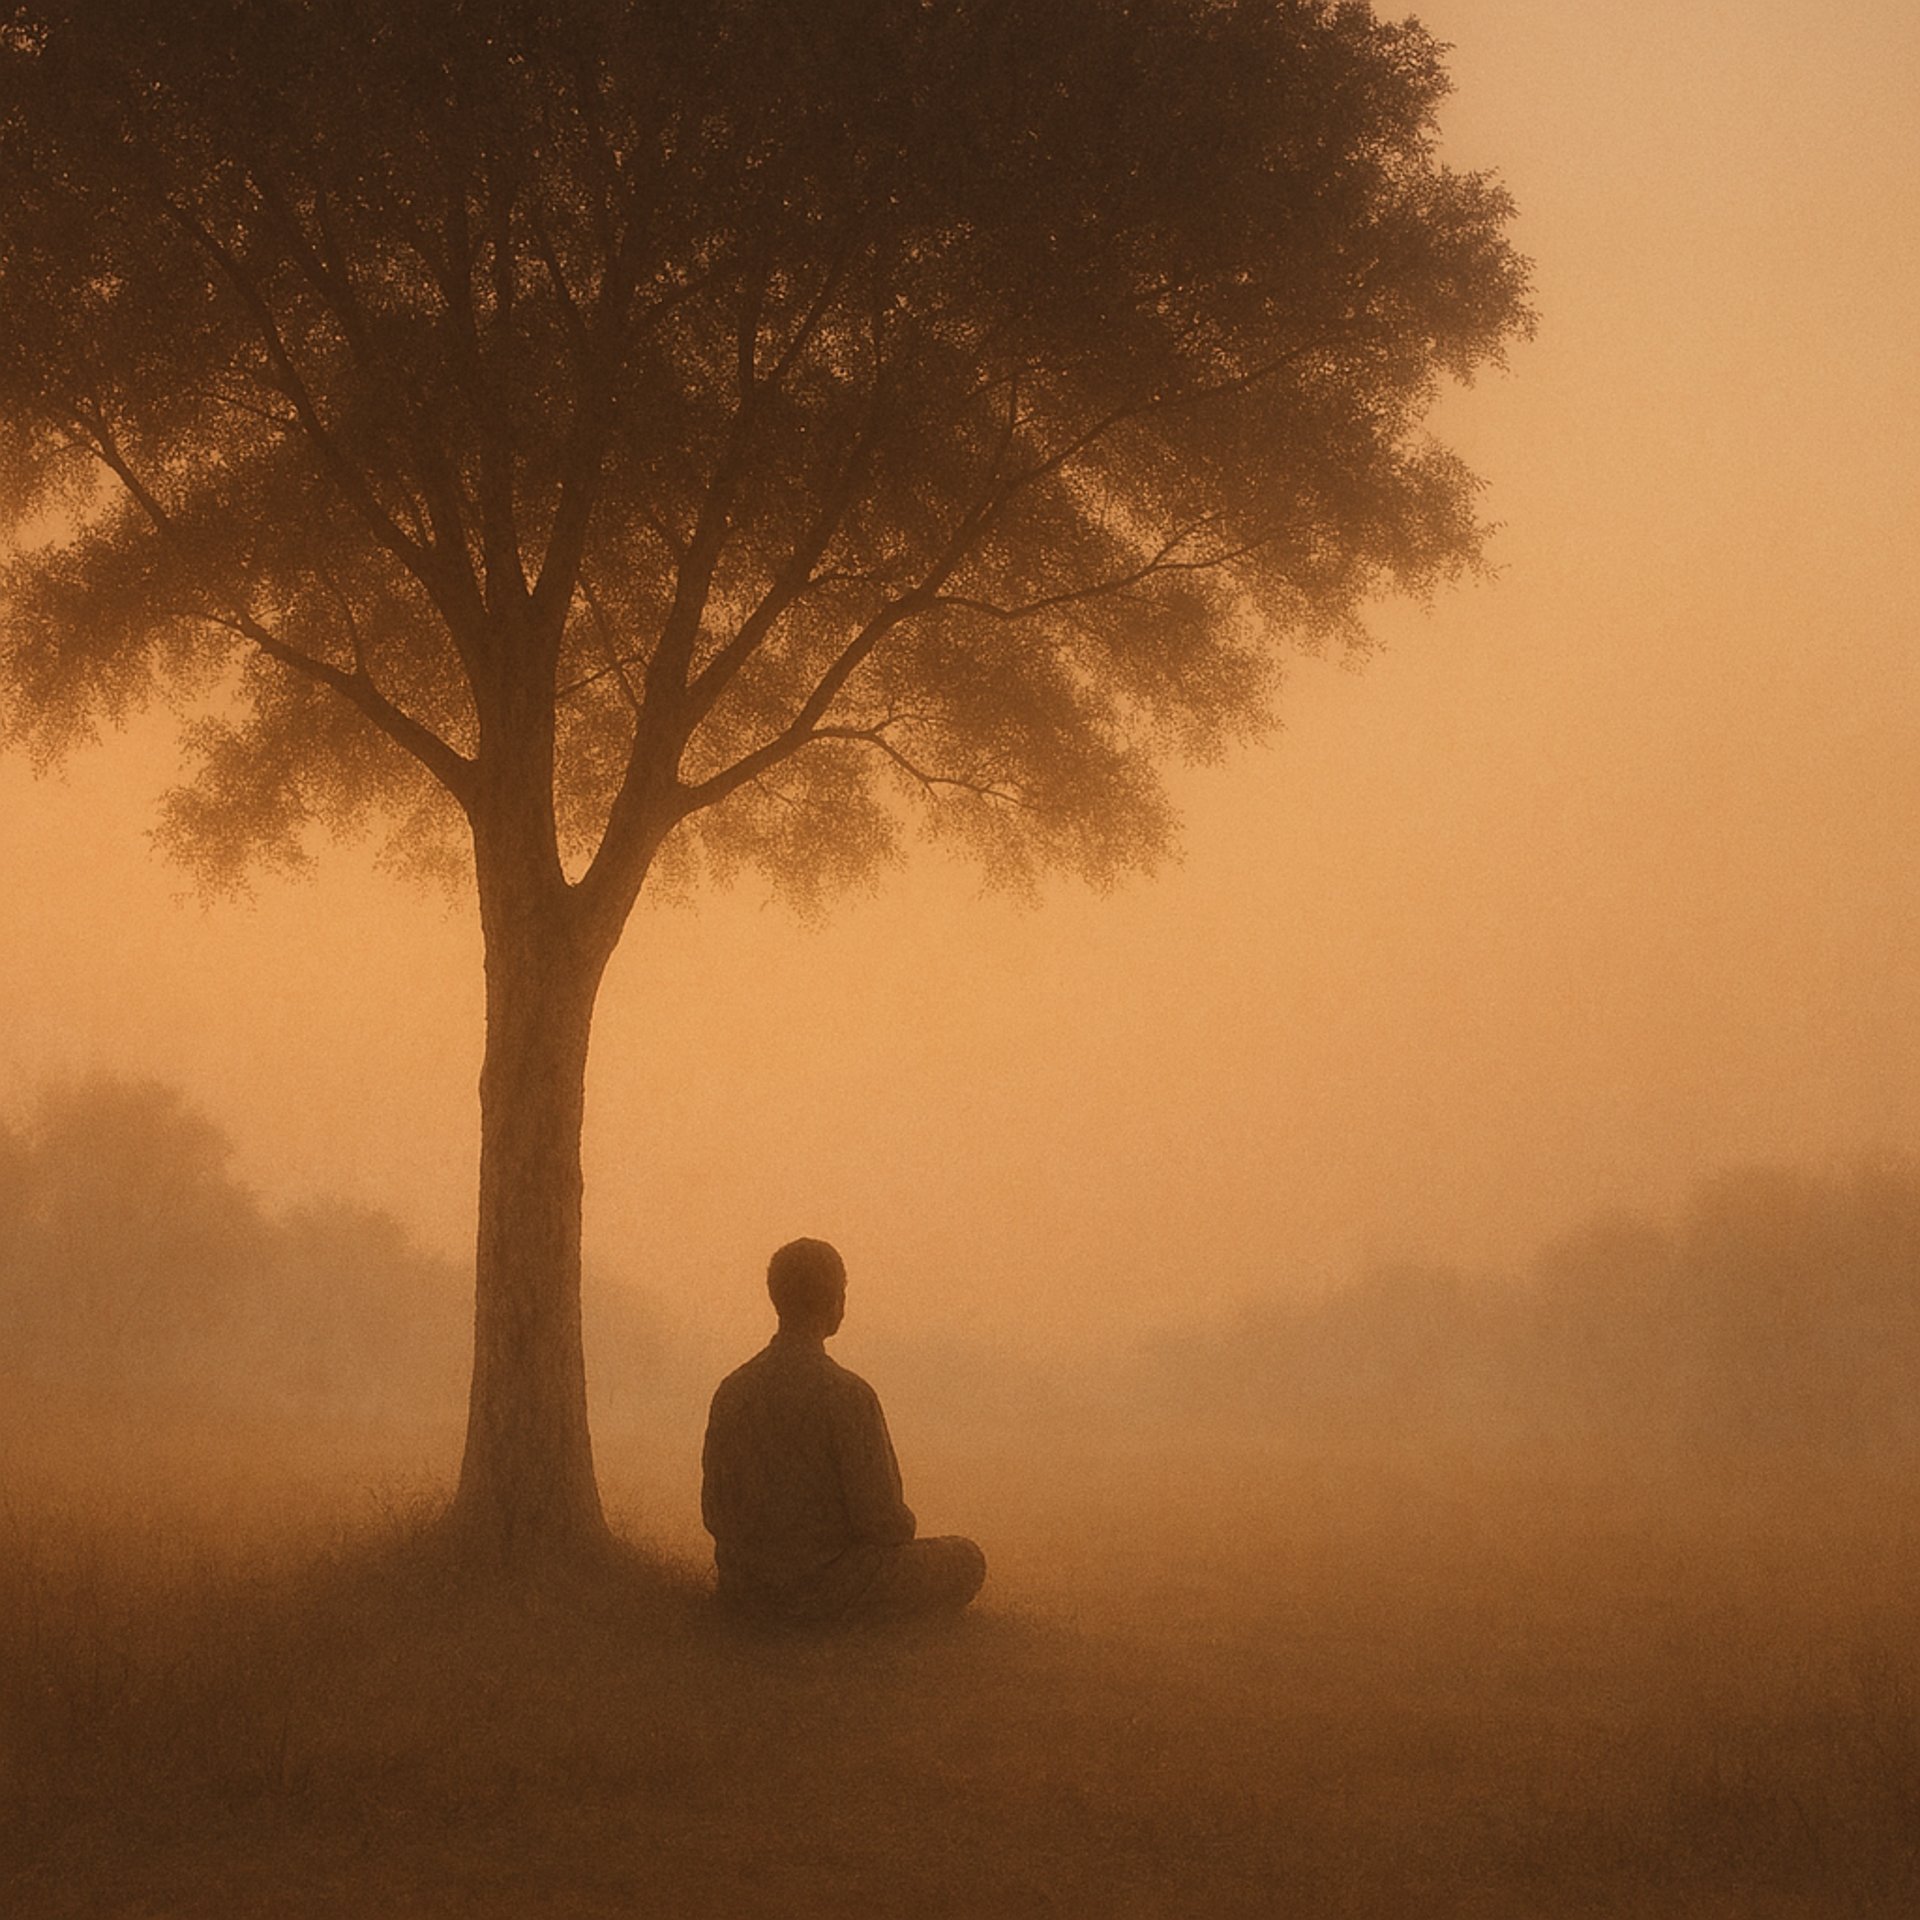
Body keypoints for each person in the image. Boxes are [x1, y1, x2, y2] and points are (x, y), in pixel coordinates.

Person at [701, 1237, 986, 1627]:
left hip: (745, 1589)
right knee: (966, 1558)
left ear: (776, 1298)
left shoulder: (732, 1390)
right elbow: (883, 1522)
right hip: (826, 1589)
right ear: (836, 1301)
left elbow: (714, 1512)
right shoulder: (847, 1395)